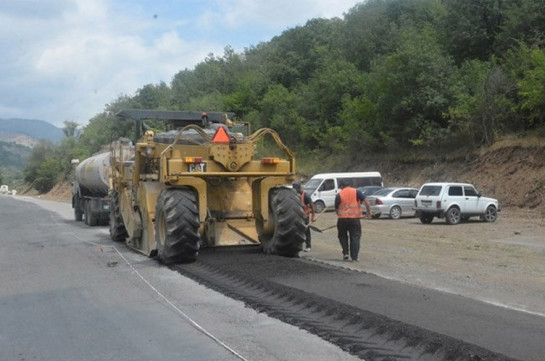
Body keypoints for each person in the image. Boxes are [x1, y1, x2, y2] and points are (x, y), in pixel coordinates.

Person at [334, 179, 371, 261]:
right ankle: (354, 257)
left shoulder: (339, 194)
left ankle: (345, 253)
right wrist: (368, 212)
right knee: (355, 237)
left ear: (342, 186)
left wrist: (340, 215)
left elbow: (336, 208)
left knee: (342, 236)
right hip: (354, 219)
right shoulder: (356, 192)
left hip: (342, 220)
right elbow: (366, 201)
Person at [293, 182, 316, 252]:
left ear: (299, 188)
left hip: (305, 216)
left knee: (306, 231)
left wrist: (313, 217)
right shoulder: (294, 195)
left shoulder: (306, 196)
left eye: (295, 189)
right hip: (297, 217)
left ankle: (308, 246)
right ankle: (297, 246)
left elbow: (312, 206)